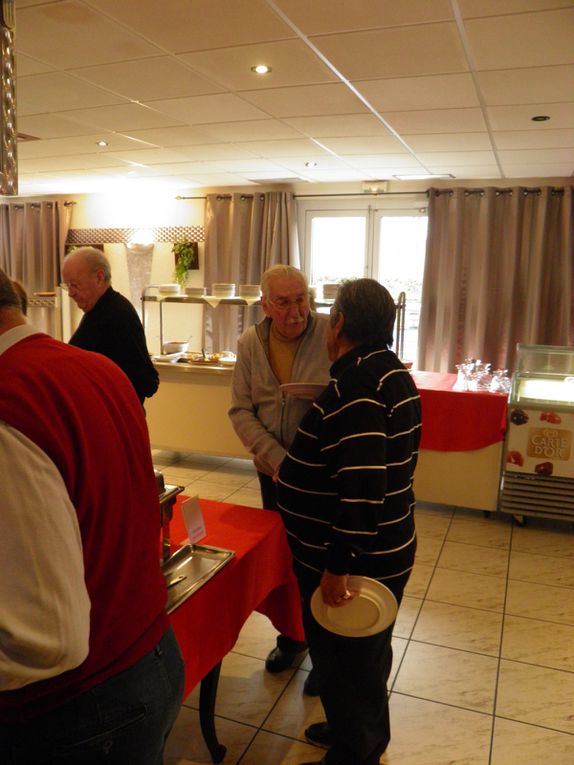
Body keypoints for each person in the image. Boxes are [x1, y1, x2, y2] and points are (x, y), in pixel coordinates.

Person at [0, 269, 184, 764]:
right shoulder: (97, 368)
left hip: (82, 705)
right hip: (152, 652)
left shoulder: (10, 401)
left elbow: (47, 644)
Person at [276, 278, 422, 765]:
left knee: (349, 665)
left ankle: (355, 751)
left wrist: (339, 564)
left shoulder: (359, 386)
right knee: (364, 654)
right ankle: (349, 730)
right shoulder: (387, 371)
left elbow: (362, 489)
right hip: (383, 548)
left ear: (338, 323)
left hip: (356, 561)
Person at [229, 264, 331, 683]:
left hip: (322, 477)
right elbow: (241, 410)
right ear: (265, 306)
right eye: (285, 302)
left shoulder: (330, 334)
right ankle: (291, 638)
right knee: (283, 560)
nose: (296, 311)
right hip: (273, 473)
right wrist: (278, 460)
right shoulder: (251, 342)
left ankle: (326, 657)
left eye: (302, 299)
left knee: (322, 566)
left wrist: (305, 465)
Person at [62, 246, 159, 404]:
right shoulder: (99, 310)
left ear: (99, 277)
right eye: (68, 286)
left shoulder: (115, 314)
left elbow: (147, 381)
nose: (70, 293)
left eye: (74, 284)